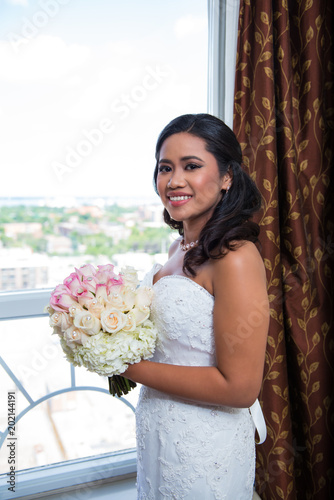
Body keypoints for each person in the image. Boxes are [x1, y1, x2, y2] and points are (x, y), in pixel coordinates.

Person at [123, 113, 270, 499]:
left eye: (191, 166)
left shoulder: (235, 257)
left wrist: (128, 366)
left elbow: (240, 388)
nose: (174, 181)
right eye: (165, 168)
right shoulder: (178, 248)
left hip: (205, 445)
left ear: (226, 177)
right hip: (158, 431)